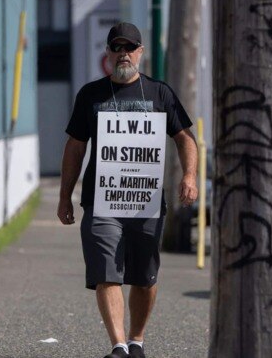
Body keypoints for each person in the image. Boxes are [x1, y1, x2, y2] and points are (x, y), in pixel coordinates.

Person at [57, 22, 198, 358]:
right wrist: (66, 195)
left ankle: (136, 339)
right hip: (102, 202)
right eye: (116, 47)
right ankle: (118, 346)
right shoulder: (91, 95)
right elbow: (75, 147)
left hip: (145, 203)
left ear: (140, 52)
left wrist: (189, 175)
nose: (123, 54)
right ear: (108, 53)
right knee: (107, 272)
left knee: (145, 278)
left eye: (129, 47)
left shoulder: (160, 93)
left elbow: (185, 138)